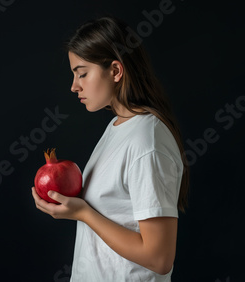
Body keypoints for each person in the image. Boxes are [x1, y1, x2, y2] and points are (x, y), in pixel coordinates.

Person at [31, 15, 190, 281]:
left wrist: (82, 212)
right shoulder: (119, 126)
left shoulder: (146, 141)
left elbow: (159, 258)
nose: (74, 86)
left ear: (116, 71)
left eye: (82, 73)